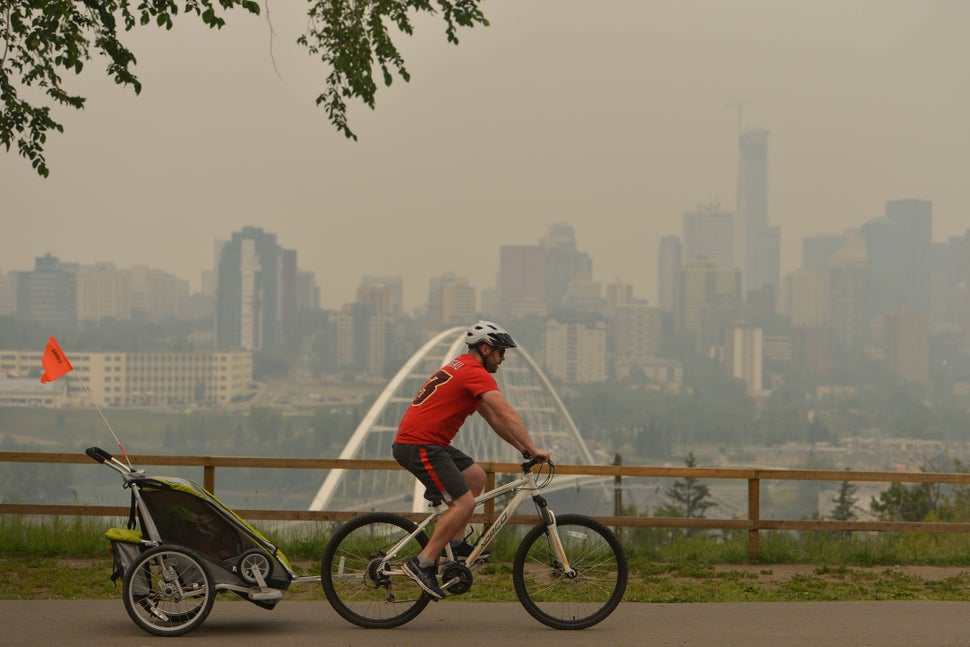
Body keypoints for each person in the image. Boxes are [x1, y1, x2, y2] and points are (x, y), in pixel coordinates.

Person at [392, 321, 551, 599]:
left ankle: (456, 542)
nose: (503, 359)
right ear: (485, 348)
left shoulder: (461, 368)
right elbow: (508, 415)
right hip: (420, 445)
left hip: (429, 443)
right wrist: (534, 447)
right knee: (463, 502)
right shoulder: (474, 372)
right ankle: (422, 563)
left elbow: (492, 418)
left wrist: (521, 447)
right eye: (501, 353)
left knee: (476, 476)